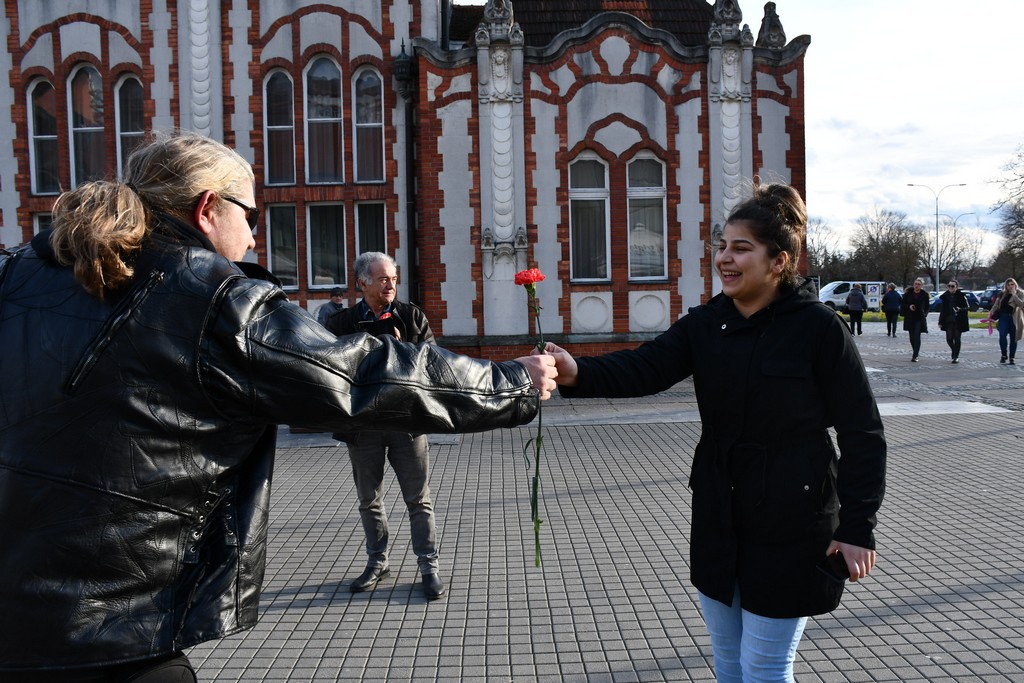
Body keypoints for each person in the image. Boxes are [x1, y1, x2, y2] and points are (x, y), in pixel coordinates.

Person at [0, 131, 557, 682]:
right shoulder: (211, 295)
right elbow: (358, 374)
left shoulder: (18, 271)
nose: (251, 239)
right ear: (207, 210)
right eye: (250, 216)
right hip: (116, 629)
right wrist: (512, 381)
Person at [541, 183, 886, 682]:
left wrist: (857, 527)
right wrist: (577, 371)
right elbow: (646, 368)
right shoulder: (706, 323)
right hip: (720, 516)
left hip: (793, 519)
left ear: (778, 261)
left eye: (741, 248)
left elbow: (863, 432)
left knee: (765, 668)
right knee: (728, 663)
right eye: (722, 246)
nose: (725, 258)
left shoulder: (818, 328)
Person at [324, 252, 446, 599]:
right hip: (363, 425)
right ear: (362, 283)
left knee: (418, 500)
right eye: (382, 279)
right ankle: (377, 562)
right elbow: (328, 367)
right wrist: (359, 351)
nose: (390, 285)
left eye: (393, 278)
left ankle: (429, 567)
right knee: (369, 500)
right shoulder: (341, 322)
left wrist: (401, 347)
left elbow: (433, 363)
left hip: (405, 421)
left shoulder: (411, 316)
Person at [989, 277, 1024, 364]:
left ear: (1015, 285)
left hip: (1014, 317)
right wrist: (991, 312)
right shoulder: (1002, 294)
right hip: (1003, 317)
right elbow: (996, 304)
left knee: (1014, 338)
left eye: (1012, 284)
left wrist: (1014, 295)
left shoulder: (1020, 293)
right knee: (1002, 335)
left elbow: (1021, 304)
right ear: (1006, 286)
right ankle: (1004, 354)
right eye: (1008, 285)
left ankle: (1012, 357)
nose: (1010, 286)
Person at [937, 280, 969, 363]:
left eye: (952, 286)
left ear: (956, 287)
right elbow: (942, 310)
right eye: (949, 286)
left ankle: (956, 356)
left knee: (957, 338)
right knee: (949, 339)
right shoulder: (945, 296)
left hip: (959, 319)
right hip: (948, 319)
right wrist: (940, 322)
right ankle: (954, 350)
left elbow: (967, 307)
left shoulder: (961, 296)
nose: (950, 287)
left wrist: (960, 309)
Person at [900, 278, 929, 362]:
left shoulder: (924, 295)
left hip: (919, 318)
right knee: (912, 337)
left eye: (918, 284)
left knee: (917, 336)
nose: (916, 286)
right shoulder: (908, 294)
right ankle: (915, 350)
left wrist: (925, 313)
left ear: (922, 286)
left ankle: (915, 355)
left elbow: (927, 306)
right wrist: (909, 306)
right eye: (915, 284)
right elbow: (903, 304)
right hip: (910, 317)